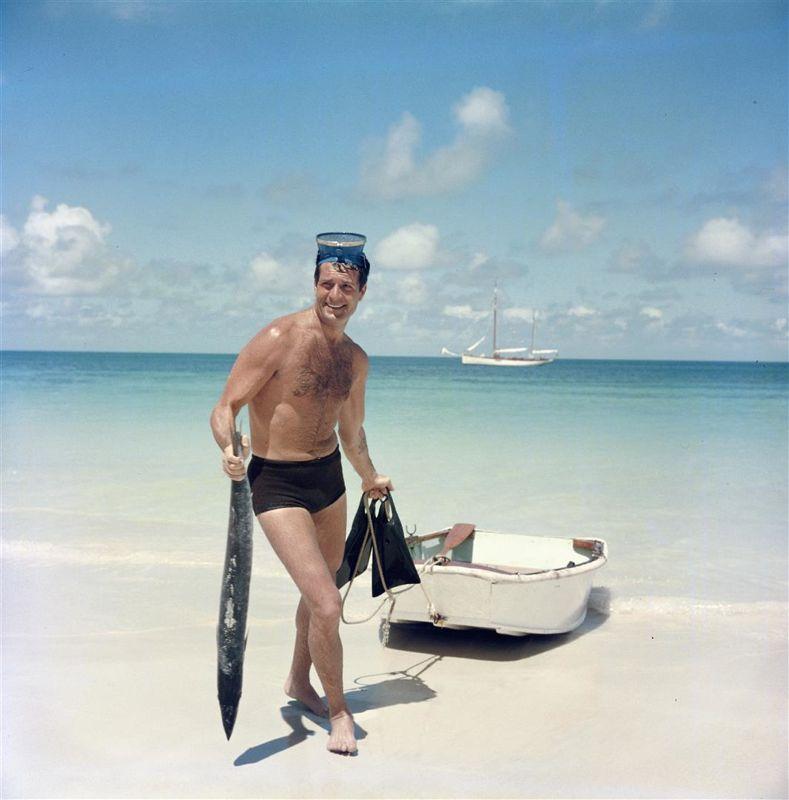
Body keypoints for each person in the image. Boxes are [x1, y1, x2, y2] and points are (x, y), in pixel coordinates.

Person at [210, 232, 392, 756]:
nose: (335, 295)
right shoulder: (277, 338)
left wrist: (370, 477)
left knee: (318, 598)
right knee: (327, 602)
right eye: (327, 284)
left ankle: (298, 682)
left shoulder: (356, 361)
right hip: (276, 481)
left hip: (328, 480)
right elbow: (226, 407)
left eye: (347, 287)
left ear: (361, 294)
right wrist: (228, 448)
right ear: (314, 283)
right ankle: (338, 712)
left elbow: (351, 434)